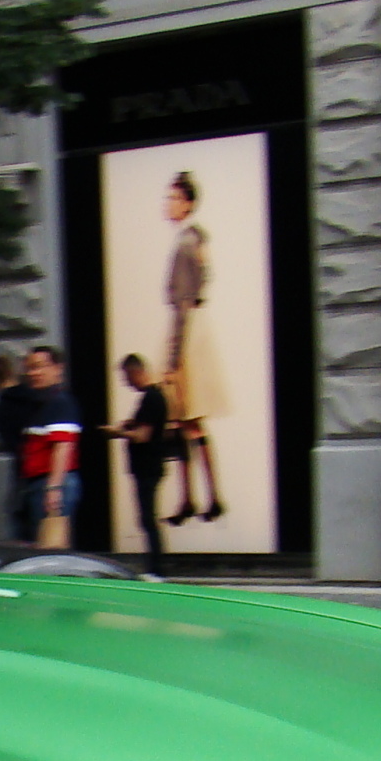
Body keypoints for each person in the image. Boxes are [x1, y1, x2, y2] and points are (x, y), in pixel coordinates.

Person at [160, 171, 224, 524]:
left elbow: (184, 301)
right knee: (187, 423)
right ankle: (199, 497)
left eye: (173, 198)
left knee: (188, 420)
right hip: (192, 331)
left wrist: (172, 358)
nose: (167, 205)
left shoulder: (187, 243)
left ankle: (203, 497)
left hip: (186, 334)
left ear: (187, 203)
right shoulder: (194, 240)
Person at [100, 353, 177, 574]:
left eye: (126, 376)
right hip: (149, 466)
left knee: (148, 519)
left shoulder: (151, 398)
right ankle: (156, 566)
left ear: (136, 372)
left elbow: (142, 435)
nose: (126, 382)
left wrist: (117, 432)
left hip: (148, 466)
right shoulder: (154, 397)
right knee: (147, 518)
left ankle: (157, 568)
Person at [9, 344, 81, 545]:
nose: (34, 373)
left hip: (52, 482)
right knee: (39, 543)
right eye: (30, 368)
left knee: (51, 545)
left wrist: (53, 488)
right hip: (37, 483)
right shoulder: (38, 403)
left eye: (40, 366)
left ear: (58, 368)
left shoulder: (60, 402)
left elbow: (63, 446)